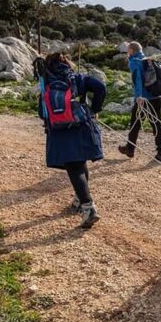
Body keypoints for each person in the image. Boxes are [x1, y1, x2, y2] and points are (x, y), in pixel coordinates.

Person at [41, 52, 106, 229]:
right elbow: (100, 87)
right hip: (82, 125)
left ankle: (88, 207)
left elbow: (42, 111)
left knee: (73, 166)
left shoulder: (46, 83)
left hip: (59, 130)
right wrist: (94, 109)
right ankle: (80, 199)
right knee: (80, 162)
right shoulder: (77, 78)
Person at [118, 42, 161, 162]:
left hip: (144, 99)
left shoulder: (135, 62)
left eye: (128, 50)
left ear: (131, 50)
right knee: (157, 123)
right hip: (157, 96)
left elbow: (137, 79)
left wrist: (139, 96)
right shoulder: (148, 59)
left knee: (135, 123)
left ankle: (130, 149)